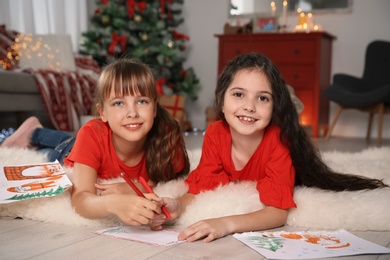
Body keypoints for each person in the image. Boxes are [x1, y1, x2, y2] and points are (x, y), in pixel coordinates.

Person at [151, 52, 389, 242]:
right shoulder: (215, 133)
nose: (249, 106)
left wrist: (224, 223)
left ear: (273, 107)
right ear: (221, 102)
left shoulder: (279, 140)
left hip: (280, 138)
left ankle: (289, 107)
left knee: (289, 127)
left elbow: (277, 212)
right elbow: (201, 185)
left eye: (262, 98)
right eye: (238, 95)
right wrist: (177, 206)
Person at [2, 58, 190, 226]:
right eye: (118, 103)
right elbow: (80, 199)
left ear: (155, 108)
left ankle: (36, 132)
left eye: (142, 101)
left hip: (93, 141)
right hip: (70, 152)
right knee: (64, 146)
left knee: (71, 139)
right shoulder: (92, 133)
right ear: (102, 113)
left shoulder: (167, 136)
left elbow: (171, 177)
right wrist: (114, 204)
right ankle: (34, 133)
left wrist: (140, 186)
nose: (132, 113)